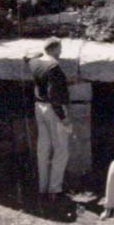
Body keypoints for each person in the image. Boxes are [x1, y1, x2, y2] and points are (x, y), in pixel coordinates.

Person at [28, 38, 71, 202]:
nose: (61, 53)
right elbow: (54, 95)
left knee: (43, 148)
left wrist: (39, 53)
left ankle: (42, 187)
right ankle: (54, 190)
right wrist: (64, 117)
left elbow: (28, 57)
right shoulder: (54, 67)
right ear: (54, 49)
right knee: (61, 150)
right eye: (59, 49)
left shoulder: (34, 62)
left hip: (39, 107)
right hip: (54, 110)